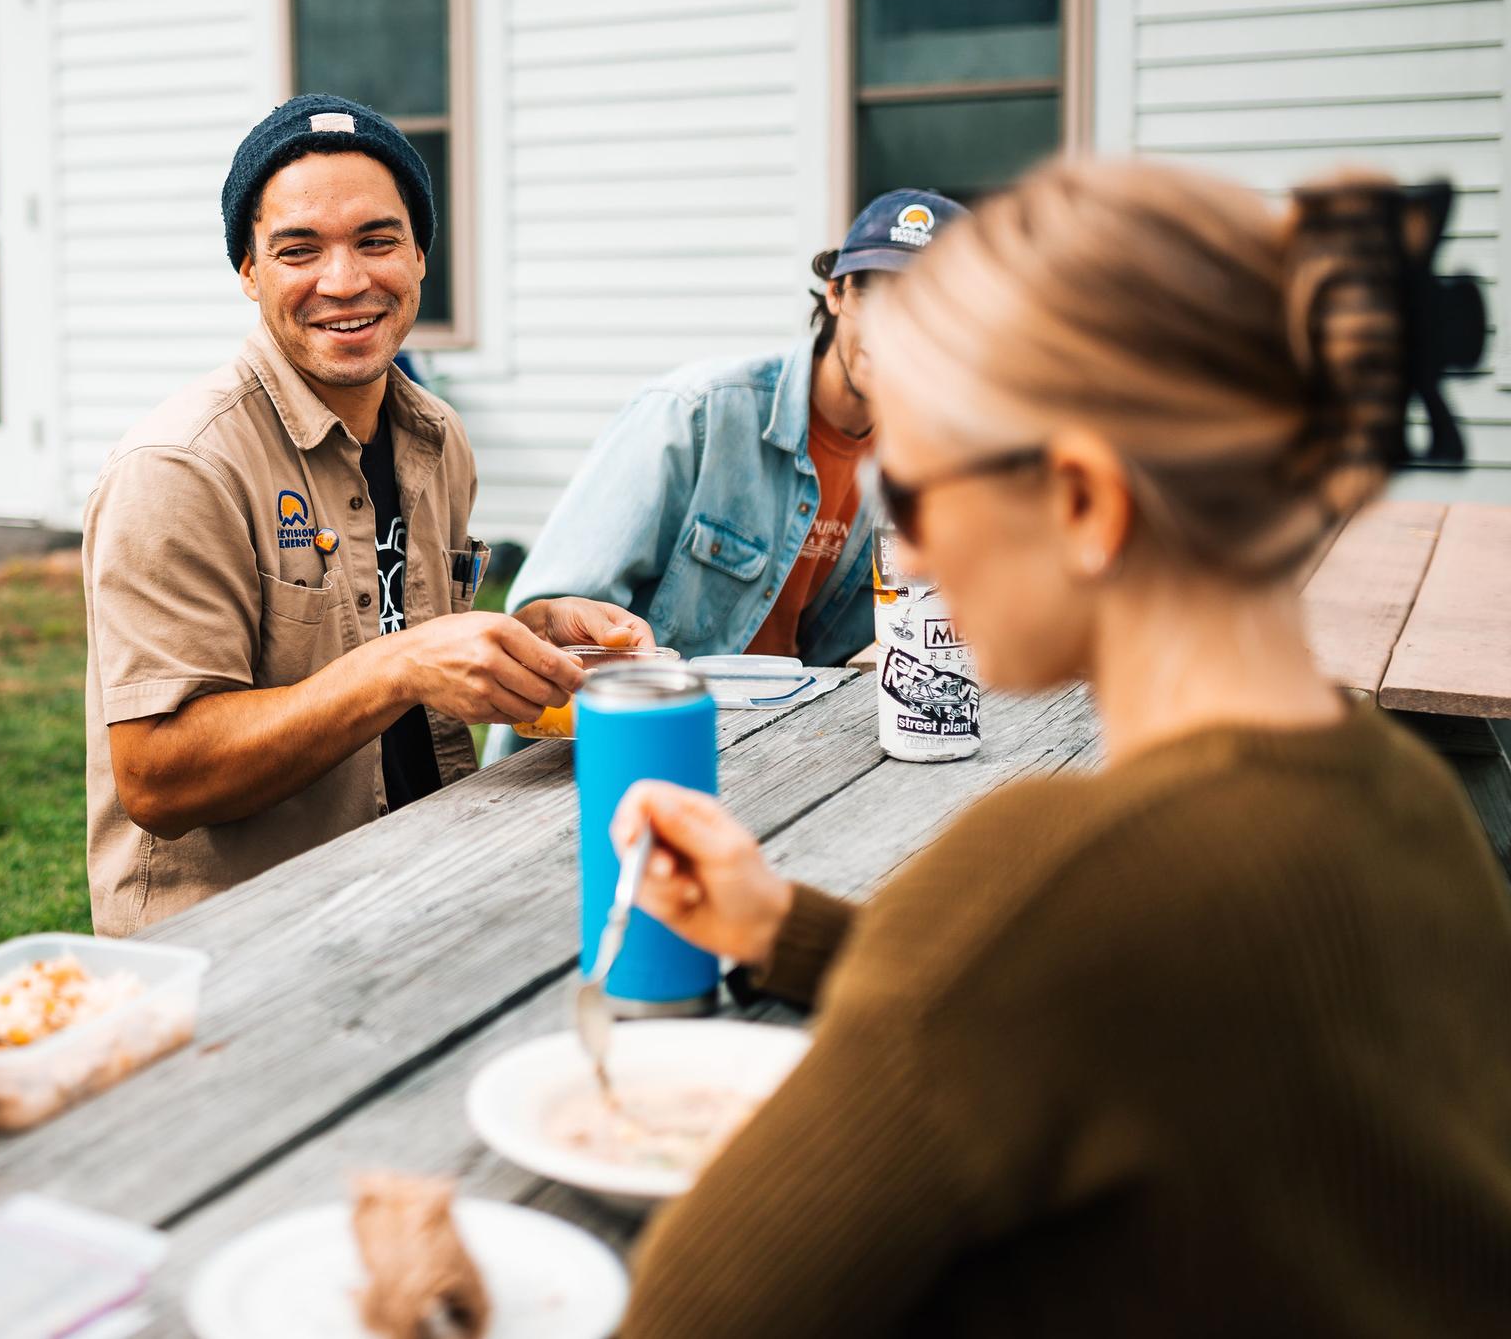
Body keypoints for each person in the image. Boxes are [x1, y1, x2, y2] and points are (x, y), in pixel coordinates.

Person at [605, 159, 1511, 1335]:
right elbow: (1101, 999)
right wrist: (787, 930)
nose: (904, 542)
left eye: (917, 485)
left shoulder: (1043, 879)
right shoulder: (1411, 793)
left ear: (1081, 502)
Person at [81, 94, 648, 935]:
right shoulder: (178, 466)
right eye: (298, 249)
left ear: (421, 254)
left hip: (430, 886)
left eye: (377, 240)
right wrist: (403, 664)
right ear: (248, 270)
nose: (344, 281)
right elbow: (159, 779)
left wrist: (522, 636)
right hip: (242, 945)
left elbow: (396, 642)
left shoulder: (437, 439)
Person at [491, 190, 968, 733]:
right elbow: (541, 622)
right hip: (635, 744)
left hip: (790, 744)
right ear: (837, 293)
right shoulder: (695, 414)